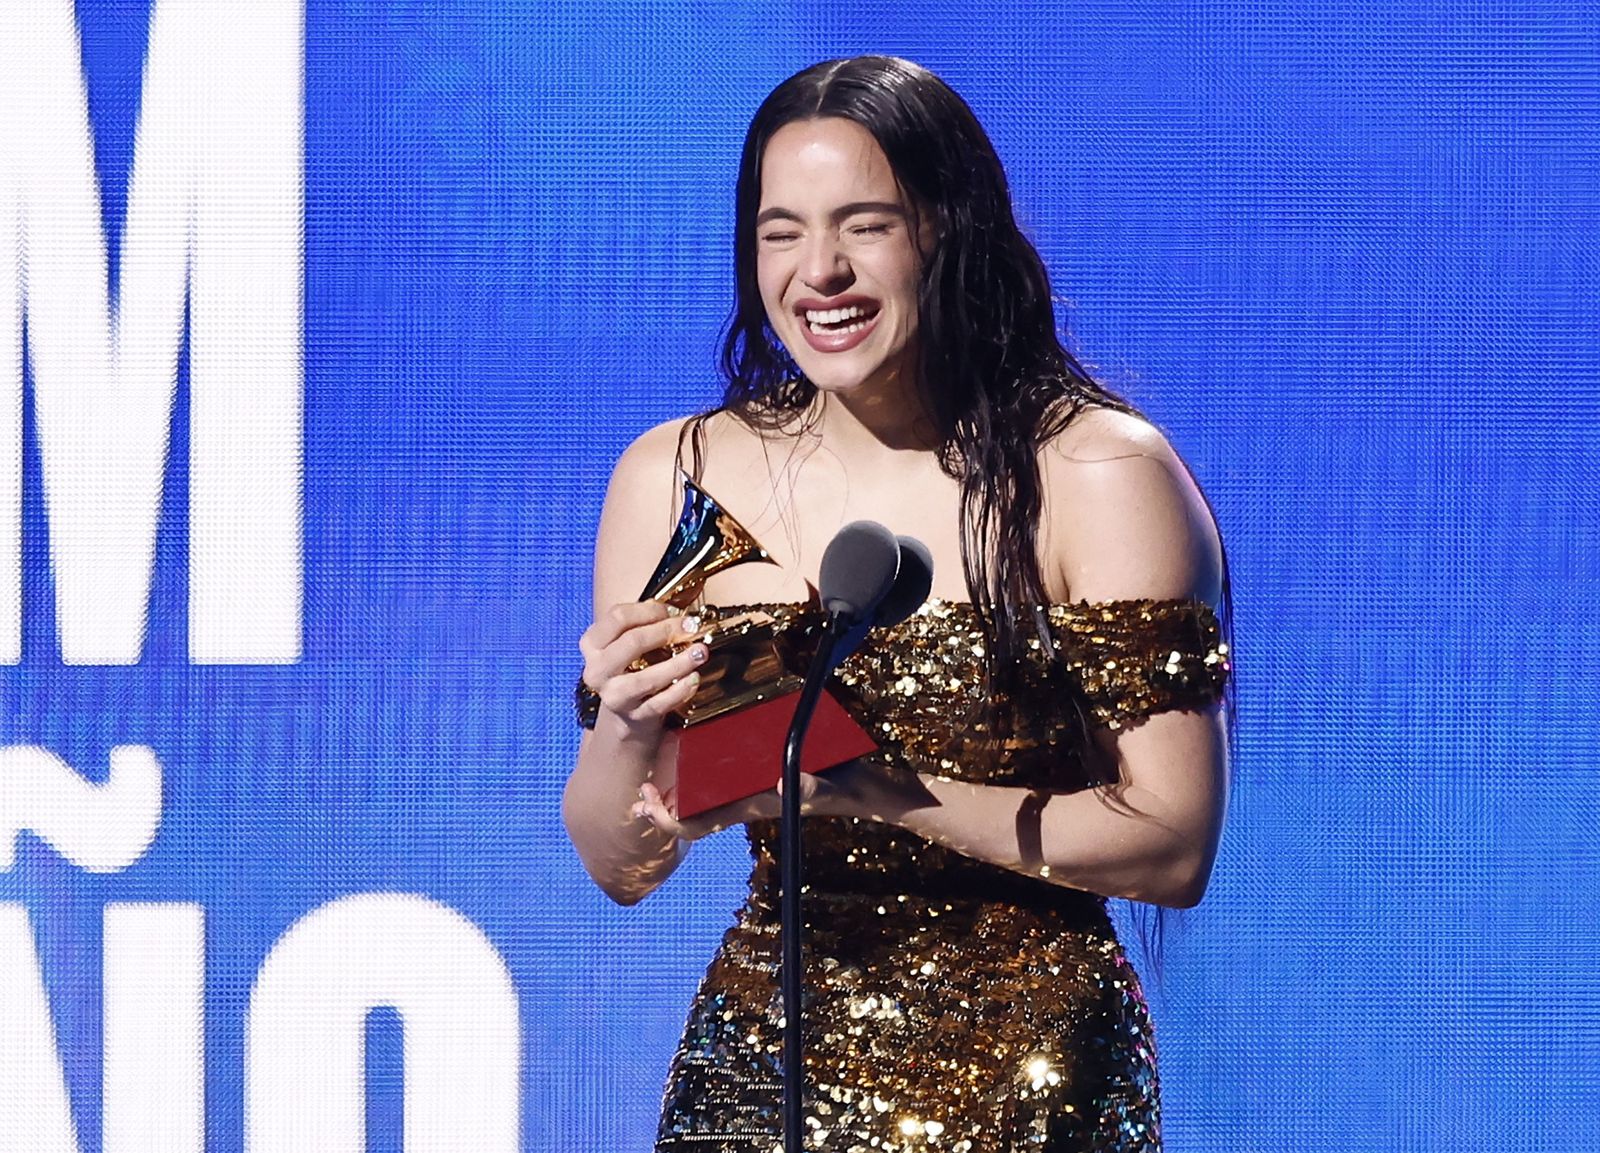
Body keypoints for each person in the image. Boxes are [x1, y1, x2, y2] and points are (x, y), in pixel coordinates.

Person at [565, 55, 1231, 1153]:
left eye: (863, 225)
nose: (817, 271)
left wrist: (880, 792)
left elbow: (1169, 843)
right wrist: (627, 732)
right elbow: (622, 859)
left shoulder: (1096, 473)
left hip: (1024, 1066)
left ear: (946, 231)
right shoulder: (677, 477)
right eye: (780, 232)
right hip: (760, 1066)